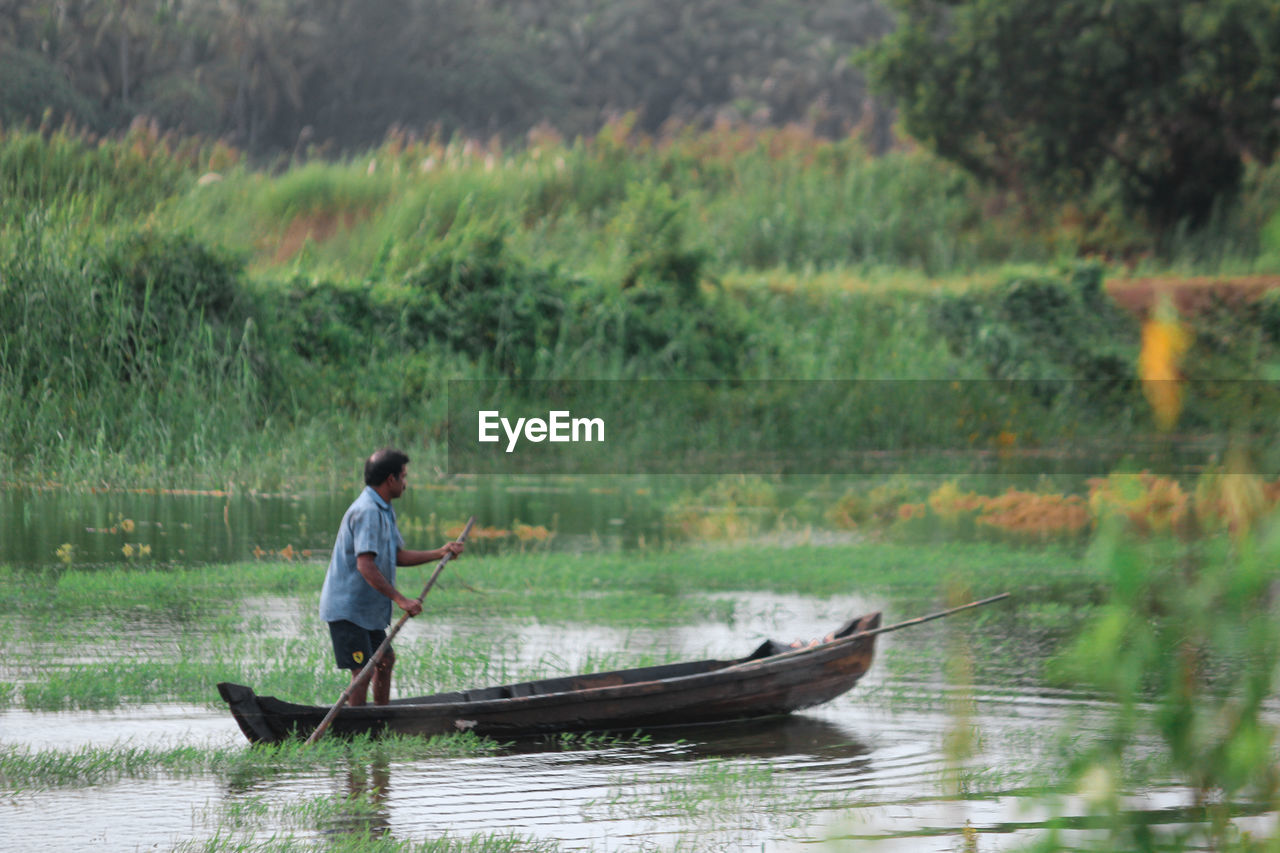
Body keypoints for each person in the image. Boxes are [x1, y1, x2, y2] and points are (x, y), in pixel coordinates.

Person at [319, 448, 464, 706]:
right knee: (362, 671)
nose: (406, 484)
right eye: (404, 477)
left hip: (367, 612)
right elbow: (365, 565)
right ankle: (360, 729)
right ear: (391, 480)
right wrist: (401, 599)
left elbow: (397, 555)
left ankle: (381, 719)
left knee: (384, 661)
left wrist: (440, 552)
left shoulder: (384, 509)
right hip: (349, 609)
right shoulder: (367, 511)